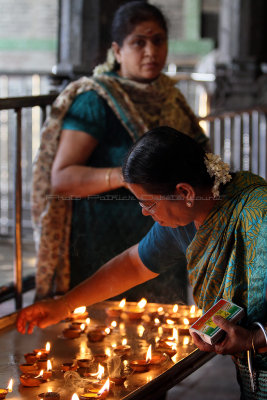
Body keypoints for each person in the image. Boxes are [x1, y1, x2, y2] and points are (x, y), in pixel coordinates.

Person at [18, 127, 267, 399]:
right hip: (253, 373)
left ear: (184, 192)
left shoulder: (259, 214)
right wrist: (65, 304)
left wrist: (255, 338)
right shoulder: (185, 219)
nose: (145, 212)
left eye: (149, 204)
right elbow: (134, 265)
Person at [32, 1, 209, 302]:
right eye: (138, 42)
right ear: (117, 51)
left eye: (158, 41)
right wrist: (130, 178)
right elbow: (62, 178)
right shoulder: (96, 100)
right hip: (103, 243)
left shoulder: (171, 99)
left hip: (163, 244)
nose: (151, 52)